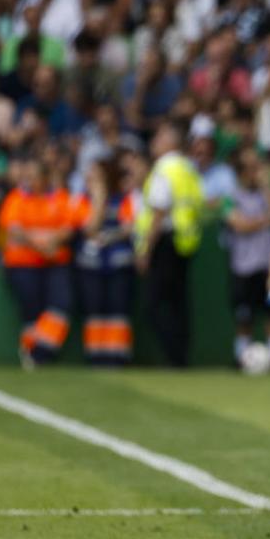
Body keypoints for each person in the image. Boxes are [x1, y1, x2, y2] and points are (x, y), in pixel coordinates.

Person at [135, 123, 203, 367]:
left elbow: (159, 212)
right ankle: (180, 356)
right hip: (184, 242)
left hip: (164, 243)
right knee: (178, 303)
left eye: (159, 136)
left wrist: (145, 249)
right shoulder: (187, 168)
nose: (155, 141)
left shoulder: (164, 169)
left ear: (170, 142)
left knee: (156, 304)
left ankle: (173, 356)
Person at [0, 154, 77, 366]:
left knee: (61, 305)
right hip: (23, 265)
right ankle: (32, 356)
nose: (29, 180)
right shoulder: (17, 198)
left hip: (55, 263)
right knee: (31, 311)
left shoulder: (59, 197)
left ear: (45, 178)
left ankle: (40, 351)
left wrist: (51, 244)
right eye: (26, 176)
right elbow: (15, 231)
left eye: (33, 176)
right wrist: (43, 247)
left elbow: (68, 226)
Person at [223, 147, 270, 367]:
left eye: (257, 168)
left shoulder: (268, 194)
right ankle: (241, 358)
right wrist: (266, 220)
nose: (255, 173)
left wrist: (267, 187)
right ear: (241, 172)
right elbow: (239, 225)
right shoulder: (230, 197)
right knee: (244, 318)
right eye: (250, 169)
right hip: (243, 267)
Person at [73, 156, 137, 366]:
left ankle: (117, 356)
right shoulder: (83, 199)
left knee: (117, 310)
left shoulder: (123, 198)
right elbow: (89, 228)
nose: (91, 178)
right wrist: (99, 199)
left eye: (97, 175)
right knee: (95, 309)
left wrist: (111, 236)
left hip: (118, 263)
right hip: (91, 264)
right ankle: (97, 356)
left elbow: (130, 226)